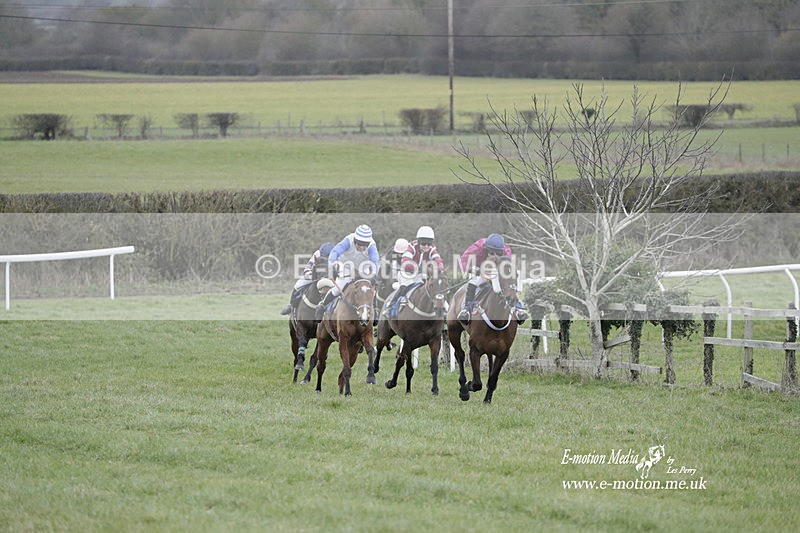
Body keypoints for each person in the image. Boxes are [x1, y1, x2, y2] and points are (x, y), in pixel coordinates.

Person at [456, 233, 527, 325]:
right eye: (491, 252)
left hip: (497, 271)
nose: (494, 256)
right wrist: (476, 270)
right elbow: (462, 262)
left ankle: (517, 308)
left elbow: (508, 268)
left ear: (502, 250)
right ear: (485, 248)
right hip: (479, 269)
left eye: (498, 253)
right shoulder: (478, 247)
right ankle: (467, 309)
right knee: (475, 281)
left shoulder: (506, 250)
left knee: (511, 279)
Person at [316, 224, 380, 319]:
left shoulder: (372, 245)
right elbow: (335, 252)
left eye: (364, 245)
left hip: (363, 268)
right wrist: (333, 264)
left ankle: (375, 311)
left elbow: (375, 261)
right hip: (347, 267)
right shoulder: (348, 240)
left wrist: (373, 273)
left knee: (369, 290)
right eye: (359, 244)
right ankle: (322, 306)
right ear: (355, 240)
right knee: (338, 289)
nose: (362, 248)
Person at [384, 226, 445, 317]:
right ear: (418, 241)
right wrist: (418, 267)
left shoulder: (432, 249)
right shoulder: (411, 247)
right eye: (424, 244)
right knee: (405, 286)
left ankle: (444, 309)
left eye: (429, 244)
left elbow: (439, 261)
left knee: (434, 287)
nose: (426, 246)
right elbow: (405, 261)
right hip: (407, 273)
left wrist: (438, 269)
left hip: (420, 274)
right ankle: (390, 306)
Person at [280, 242, 335, 316]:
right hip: (314, 277)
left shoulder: (337, 256)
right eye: (323, 259)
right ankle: (291, 306)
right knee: (298, 285)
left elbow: (339, 271)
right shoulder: (317, 255)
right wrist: (313, 278)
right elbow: (307, 270)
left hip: (331, 279)